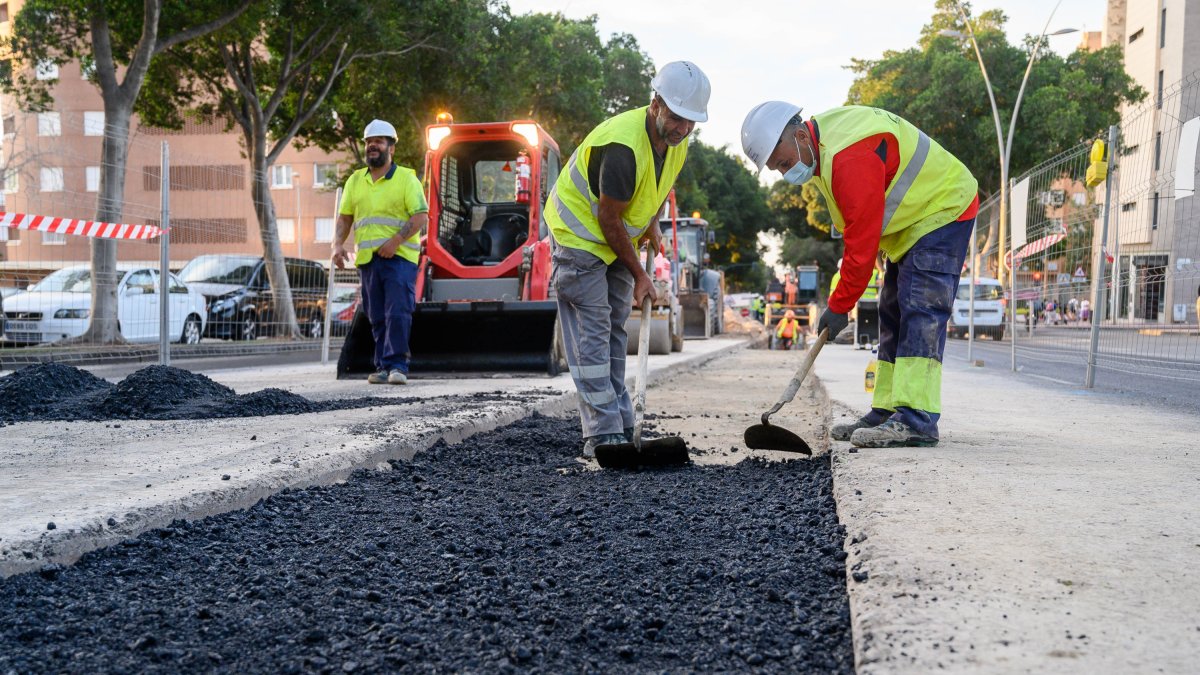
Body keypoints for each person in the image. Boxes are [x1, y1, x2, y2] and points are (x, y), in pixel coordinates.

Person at [742, 102, 979, 448]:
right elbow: (855, 234)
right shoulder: (821, 150)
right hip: (912, 227)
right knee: (892, 311)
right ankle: (885, 411)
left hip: (943, 210)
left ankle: (916, 419)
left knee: (920, 312)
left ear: (797, 135)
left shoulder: (847, 156)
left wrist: (840, 306)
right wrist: (839, 302)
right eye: (777, 169)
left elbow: (861, 244)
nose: (784, 174)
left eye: (783, 163)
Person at [546, 61, 711, 458]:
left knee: (618, 327)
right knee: (594, 330)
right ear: (656, 104)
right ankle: (600, 435)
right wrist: (640, 274)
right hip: (580, 237)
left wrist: (653, 223)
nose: (683, 129)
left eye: (690, 122)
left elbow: (659, 185)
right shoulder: (621, 147)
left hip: (619, 237)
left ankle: (622, 423)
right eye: (676, 119)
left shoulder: (678, 140)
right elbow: (607, 217)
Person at [332, 119, 429, 385]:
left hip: (399, 259)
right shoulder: (355, 180)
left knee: (397, 311)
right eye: (368, 142)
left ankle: (398, 366)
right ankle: (383, 366)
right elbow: (345, 218)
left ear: (391, 148)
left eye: (378, 141)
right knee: (375, 315)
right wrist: (337, 245)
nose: (372, 145)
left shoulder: (406, 179)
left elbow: (421, 216)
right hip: (367, 261)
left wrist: (395, 241)